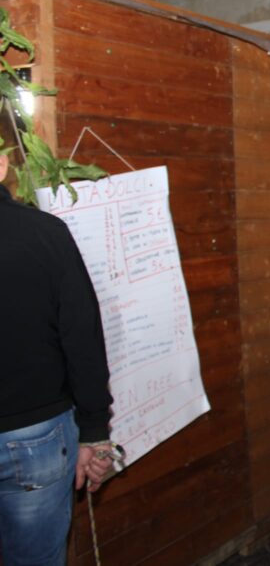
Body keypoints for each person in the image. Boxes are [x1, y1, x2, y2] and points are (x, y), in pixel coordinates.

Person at [0, 149, 115, 566]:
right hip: (36, 437)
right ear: (2, 165)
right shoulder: (46, 233)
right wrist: (95, 432)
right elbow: (82, 339)